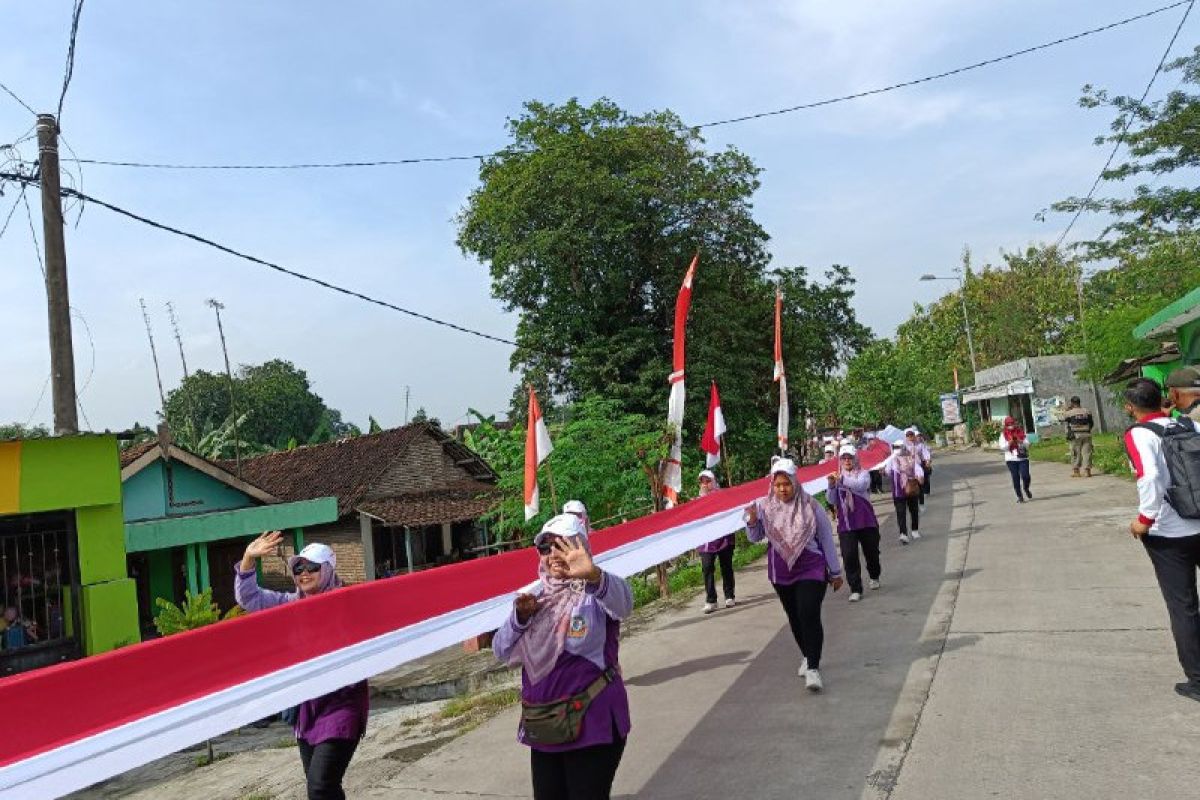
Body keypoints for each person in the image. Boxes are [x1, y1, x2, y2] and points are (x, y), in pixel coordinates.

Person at [493, 514, 633, 800]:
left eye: (562, 545)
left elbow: (625, 605)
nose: (553, 555)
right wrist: (519, 618)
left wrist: (594, 575)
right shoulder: (534, 599)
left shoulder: (595, 593)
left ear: (580, 547)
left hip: (592, 725)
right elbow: (501, 650)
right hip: (545, 728)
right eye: (545, 548)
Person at [235, 533, 369, 800]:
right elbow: (250, 599)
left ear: (328, 569)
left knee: (320, 785)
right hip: (306, 709)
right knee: (321, 788)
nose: (304, 574)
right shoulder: (290, 605)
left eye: (312, 567)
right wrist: (249, 558)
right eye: (298, 568)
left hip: (342, 705)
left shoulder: (349, 601)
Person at [1121, 378, 1200, 703]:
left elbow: (1150, 476)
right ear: (1163, 399)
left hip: (1169, 532)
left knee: (1183, 607)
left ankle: (1197, 680)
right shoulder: (1187, 424)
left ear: (1130, 407)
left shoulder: (1139, 434)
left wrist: (1144, 520)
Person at [744, 458, 844, 691]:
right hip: (781, 572)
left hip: (811, 566)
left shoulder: (810, 506)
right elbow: (755, 537)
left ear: (795, 482)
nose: (782, 489)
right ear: (772, 484)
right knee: (795, 617)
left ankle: (813, 668)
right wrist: (751, 520)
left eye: (786, 484)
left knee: (808, 613)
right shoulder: (763, 506)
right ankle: (807, 655)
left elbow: (826, 537)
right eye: (778, 485)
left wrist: (836, 571)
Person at [828, 445, 881, 602]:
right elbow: (831, 500)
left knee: (871, 552)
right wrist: (831, 485)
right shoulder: (836, 476)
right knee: (849, 555)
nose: (847, 460)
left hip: (865, 520)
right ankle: (855, 588)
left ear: (855, 458)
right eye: (843, 458)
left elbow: (860, 486)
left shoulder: (863, 474)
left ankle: (874, 575)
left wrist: (842, 480)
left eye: (849, 457)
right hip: (847, 523)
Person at [695, 470, 736, 614]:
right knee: (707, 568)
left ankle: (729, 595)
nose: (705, 484)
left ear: (714, 481)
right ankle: (711, 600)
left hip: (723, 538)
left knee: (726, 567)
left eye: (708, 481)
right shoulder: (697, 500)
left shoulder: (723, 495)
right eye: (702, 481)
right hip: (707, 541)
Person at [885, 439, 924, 544]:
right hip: (898, 490)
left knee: (914, 510)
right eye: (895, 447)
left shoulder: (910, 457)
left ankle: (915, 530)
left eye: (899, 447)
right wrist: (892, 462)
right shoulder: (891, 460)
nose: (897, 450)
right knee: (900, 512)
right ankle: (903, 533)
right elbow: (887, 472)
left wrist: (919, 476)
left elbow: (917, 468)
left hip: (911, 487)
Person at [999, 416, 1033, 502]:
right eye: (1008, 424)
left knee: (1026, 476)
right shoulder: (1003, 434)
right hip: (1011, 459)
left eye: (1012, 424)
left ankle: (1026, 488)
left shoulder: (1020, 432)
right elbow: (1002, 447)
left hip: (1022, 457)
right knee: (1015, 477)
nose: (1011, 426)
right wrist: (1009, 443)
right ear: (1006, 425)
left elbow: (1028, 444)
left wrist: (1020, 441)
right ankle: (1019, 496)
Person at [1063, 396, 1095, 478]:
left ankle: (1076, 472)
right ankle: (1087, 471)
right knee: (1087, 453)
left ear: (1072, 403)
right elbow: (1091, 423)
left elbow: (1065, 421)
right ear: (1079, 402)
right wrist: (1087, 430)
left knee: (1075, 453)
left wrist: (1067, 410)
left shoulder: (1069, 413)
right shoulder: (1087, 411)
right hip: (1087, 434)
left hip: (1075, 435)